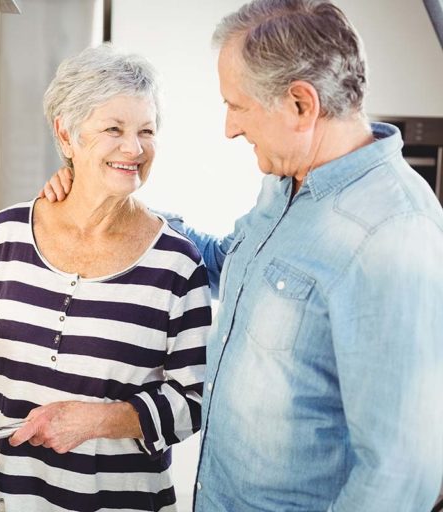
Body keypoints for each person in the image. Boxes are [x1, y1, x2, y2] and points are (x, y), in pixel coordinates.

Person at [41, 1, 443, 511]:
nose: (230, 128)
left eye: (238, 105)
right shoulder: (285, 183)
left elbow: (400, 474)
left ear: (301, 104)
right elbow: (233, 261)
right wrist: (117, 203)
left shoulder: (392, 233)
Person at [0, 44, 212, 512]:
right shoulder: (8, 232)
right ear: (66, 135)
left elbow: (192, 402)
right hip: (16, 498)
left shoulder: (177, 263)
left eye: (146, 131)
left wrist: (98, 421)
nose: (134, 148)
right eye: (114, 129)